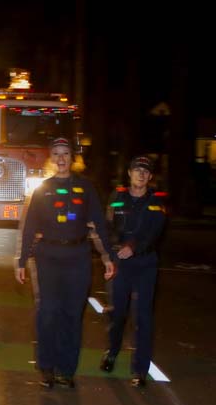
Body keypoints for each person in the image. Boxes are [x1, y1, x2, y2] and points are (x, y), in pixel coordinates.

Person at [16, 137, 116, 389]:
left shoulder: (86, 188)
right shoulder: (43, 189)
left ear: (73, 158)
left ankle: (66, 370)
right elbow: (29, 227)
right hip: (48, 256)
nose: (61, 159)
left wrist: (108, 257)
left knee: (72, 314)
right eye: (56, 154)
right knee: (48, 312)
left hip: (78, 256)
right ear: (51, 158)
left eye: (66, 154)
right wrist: (21, 260)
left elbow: (99, 224)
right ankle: (46, 367)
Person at [100, 156, 167, 388]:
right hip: (121, 263)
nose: (141, 174)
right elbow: (108, 226)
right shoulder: (117, 197)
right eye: (137, 170)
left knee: (143, 317)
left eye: (145, 171)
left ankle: (140, 369)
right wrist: (112, 251)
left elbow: (155, 231)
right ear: (129, 173)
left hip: (145, 263)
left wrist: (134, 247)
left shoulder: (156, 200)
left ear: (150, 177)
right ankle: (112, 351)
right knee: (118, 313)